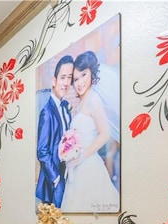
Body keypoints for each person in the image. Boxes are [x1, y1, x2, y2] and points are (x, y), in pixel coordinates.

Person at [61, 51, 120, 213]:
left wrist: (81, 156)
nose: (79, 82)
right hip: (78, 166)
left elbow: (105, 133)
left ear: (92, 74)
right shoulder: (81, 103)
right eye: (76, 79)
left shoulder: (93, 100)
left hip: (88, 166)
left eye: (84, 75)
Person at [35, 55, 74, 208]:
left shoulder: (66, 108)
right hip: (55, 179)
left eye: (69, 78)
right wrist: (56, 177)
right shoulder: (47, 112)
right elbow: (42, 151)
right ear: (54, 80)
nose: (66, 83)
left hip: (68, 172)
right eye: (63, 77)